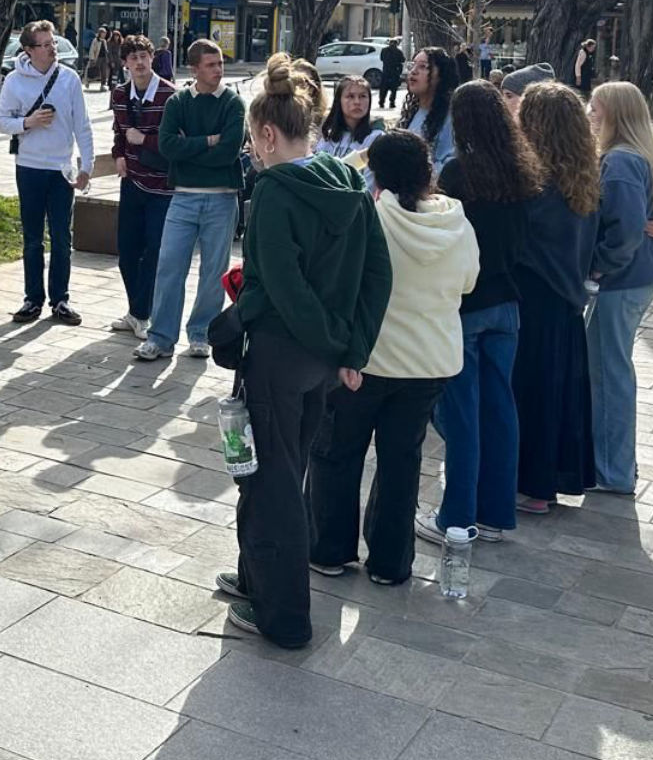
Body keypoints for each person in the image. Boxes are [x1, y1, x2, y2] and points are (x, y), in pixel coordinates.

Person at [216, 55, 391, 647]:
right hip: (325, 364)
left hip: (280, 358)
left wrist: (239, 319)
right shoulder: (351, 184)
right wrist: (351, 348)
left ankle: (283, 617)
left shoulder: (273, 191)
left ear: (267, 133)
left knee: (273, 484)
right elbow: (377, 275)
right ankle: (252, 578)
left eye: (251, 139)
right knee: (279, 473)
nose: (252, 150)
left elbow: (279, 289)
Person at [307, 129, 476, 586]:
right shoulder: (456, 220)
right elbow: (468, 282)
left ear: (376, 174)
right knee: (402, 462)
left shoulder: (370, 217)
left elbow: (343, 282)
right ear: (428, 171)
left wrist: (359, 160)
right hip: (430, 361)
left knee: (338, 454)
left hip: (366, 359)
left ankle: (329, 548)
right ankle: (391, 562)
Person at [416, 80, 542, 548]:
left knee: (462, 414)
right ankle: (495, 513)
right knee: (500, 408)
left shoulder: (457, 173)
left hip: (466, 305)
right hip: (507, 303)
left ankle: (456, 516)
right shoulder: (522, 169)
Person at [588, 81, 653, 496]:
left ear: (615, 115)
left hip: (623, 279)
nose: (590, 115)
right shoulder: (639, 156)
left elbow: (628, 231)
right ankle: (612, 466)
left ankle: (612, 471)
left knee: (608, 372)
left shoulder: (620, 161)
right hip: (638, 276)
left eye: (596, 109)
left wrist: (597, 267)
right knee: (606, 368)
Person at [512, 82, 602, 514]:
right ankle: (547, 481)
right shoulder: (583, 171)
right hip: (567, 293)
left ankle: (532, 485)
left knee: (530, 390)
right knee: (556, 390)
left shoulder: (536, 178)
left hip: (535, 292)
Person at [136, 38, 246, 362]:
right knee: (169, 266)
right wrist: (208, 142)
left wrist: (192, 149)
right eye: (211, 65)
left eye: (220, 64)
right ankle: (160, 337)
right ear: (194, 68)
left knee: (213, 272)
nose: (218, 70)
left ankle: (201, 334)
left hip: (222, 199)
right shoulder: (179, 103)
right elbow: (168, 146)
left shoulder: (233, 104)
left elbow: (229, 153)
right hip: (183, 198)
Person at [0, 19, 94, 325]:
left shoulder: (69, 78)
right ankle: (32, 298)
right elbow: (0, 121)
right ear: (28, 49)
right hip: (30, 167)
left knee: (62, 237)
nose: (52, 49)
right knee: (33, 238)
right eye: (45, 44)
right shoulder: (14, 81)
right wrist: (28, 122)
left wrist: (86, 167)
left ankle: (60, 300)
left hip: (61, 167)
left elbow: (83, 125)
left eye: (53, 43)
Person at [109, 34, 175, 341]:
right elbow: (120, 131)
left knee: (153, 252)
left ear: (152, 58)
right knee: (127, 251)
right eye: (132, 57)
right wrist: (119, 154)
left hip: (161, 187)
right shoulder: (120, 94)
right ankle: (136, 311)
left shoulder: (170, 95)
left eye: (143, 56)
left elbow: (177, 142)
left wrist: (145, 140)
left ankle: (143, 314)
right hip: (131, 181)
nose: (139, 62)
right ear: (125, 63)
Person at [400, 47, 459, 171]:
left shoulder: (451, 116)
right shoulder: (412, 112)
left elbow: (449, 166)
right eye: (412, 65)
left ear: (441, 75)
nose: (414, 71)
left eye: (422, 67)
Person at [316, 75, 384, 176]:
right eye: (350, 96)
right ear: (339, 101)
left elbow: (370, 183)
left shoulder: (375, 138)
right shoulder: (329, 138)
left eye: (362, 96)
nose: (357, 102)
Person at [378, 40, 405, 108]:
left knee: (384, 88)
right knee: (394, 89)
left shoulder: (384, 50)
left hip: (386, 72)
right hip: (394, 72)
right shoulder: (398, 52)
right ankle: (392, 102)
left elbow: (381, 58)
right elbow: (403, 60)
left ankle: (381, 101)